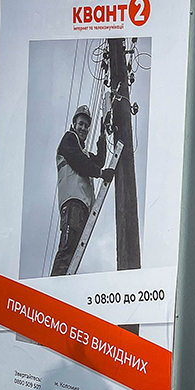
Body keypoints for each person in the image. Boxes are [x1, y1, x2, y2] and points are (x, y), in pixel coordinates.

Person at [51, 106, 113, 276]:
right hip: (73, 202)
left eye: (87, 126)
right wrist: (101, 174)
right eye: (81, 124)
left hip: (82, 207)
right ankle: (53, 289)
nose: (84, 128)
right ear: (73, 124)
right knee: (67, 252)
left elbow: (98, 162)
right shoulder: (69, 139)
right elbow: (81, 163)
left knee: (72, 256)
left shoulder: (82, 151)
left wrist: (102, 134)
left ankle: (63, 287)